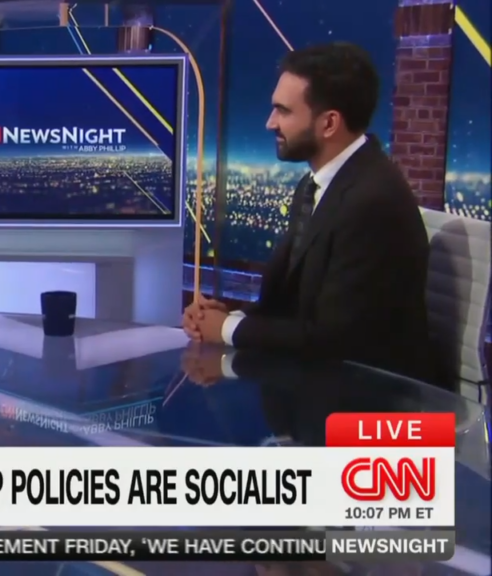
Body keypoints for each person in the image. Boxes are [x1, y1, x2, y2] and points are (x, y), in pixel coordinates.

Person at [182, 43, 440, 386]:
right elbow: (292, 304)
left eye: (283, 111)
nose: (270, 123)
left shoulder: (372, 201)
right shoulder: (315, 185)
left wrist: (229, 329)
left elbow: (335, 339)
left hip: (374, 399)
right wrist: (230, 317)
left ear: (329, 123)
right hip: (317, 382)